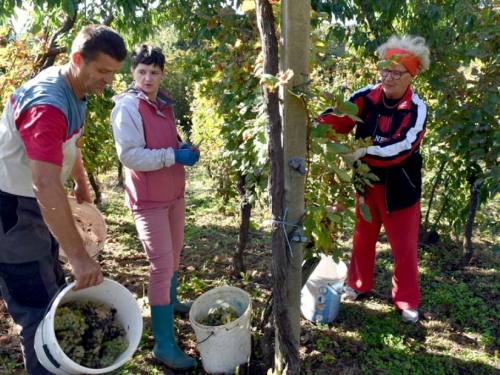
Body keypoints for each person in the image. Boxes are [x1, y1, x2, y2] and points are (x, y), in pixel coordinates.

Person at [0, 25, 127, 374]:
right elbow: (43, 184)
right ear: (76, 60)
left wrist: (80, 179)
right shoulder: (47, 105)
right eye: (102, 71)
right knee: (36, 311)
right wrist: (79, 257)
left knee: (53, 291)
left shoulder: (75, 86)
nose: (109, 80)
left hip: (34, 205)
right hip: (11, 211)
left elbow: (68, 143)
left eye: (114, 72)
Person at [317, 35, 430, 323]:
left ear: (410, 75)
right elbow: (340, 117)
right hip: (367, 184)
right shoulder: (366, 96)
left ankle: (406, 300)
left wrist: (364, 151)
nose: (387, 77)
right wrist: (312, 123)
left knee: (403, 248)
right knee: (362, 238)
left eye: (396, 72)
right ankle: (358, 285)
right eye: (384, 70)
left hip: (400, 189)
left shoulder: (416, 108)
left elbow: (404, 146)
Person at [111, 44, 199, 369]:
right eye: (142, 71)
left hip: (173, 195)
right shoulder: (127, 108)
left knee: (174, 255)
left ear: (162, 74)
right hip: (148, 201)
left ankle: (172, 302)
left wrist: (179, 146)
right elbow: (130, 155)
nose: (148, 77)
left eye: (154, 72)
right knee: (161, 266)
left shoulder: (163, 105)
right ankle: (164, 345)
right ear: (132, 73)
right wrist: (173, 156)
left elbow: (162, 142)